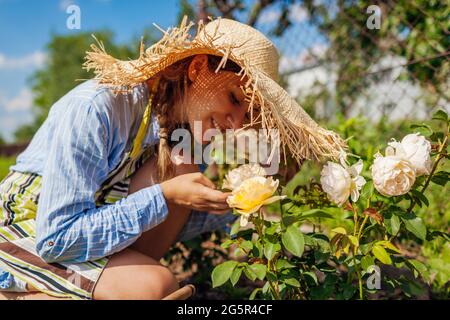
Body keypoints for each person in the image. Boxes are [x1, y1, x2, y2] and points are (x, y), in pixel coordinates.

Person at [0, 16, 345, 300]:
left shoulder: (183, 137)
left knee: (182, 164)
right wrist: (165, 195)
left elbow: (162, 220)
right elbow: (56, 238)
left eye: (249, 112)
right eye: (235, 99)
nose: (237, 123)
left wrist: (239, 204)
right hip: (30, 221)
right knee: (155, 286)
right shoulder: (98, 107)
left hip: (82, 227)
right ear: (197, 69)